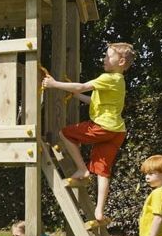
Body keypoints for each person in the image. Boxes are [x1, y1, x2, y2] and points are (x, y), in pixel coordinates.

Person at [42, 42, 136, 222]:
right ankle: (99, 212)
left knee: (65, 134)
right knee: (103, 170)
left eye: (109, 56)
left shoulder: (109, 78)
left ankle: (82, 170)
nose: (105, 59)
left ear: (122, 61)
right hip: (117, 131)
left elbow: (81, 86)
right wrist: (76, 96)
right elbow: (91, 99)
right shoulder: (118, 82)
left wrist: (54, 84)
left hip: (103, 127)